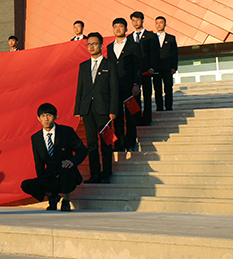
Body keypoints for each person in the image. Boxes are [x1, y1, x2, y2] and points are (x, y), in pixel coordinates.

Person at [21, 103, 88, 211]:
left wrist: (72, 161)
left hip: (66, 173)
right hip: (50, 175)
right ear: (38, 118)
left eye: (49, 115)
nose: (46, 119)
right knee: (26, 185)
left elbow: (82, 150)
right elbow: (39, 163)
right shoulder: (36, 138)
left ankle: (66, 200)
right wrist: (41, 184)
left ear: (56, 116)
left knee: (66, 168)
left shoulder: (66, 132)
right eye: (43, 116)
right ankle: (52, 197)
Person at [73, 32, 118, 184]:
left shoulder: (109, 65)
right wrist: (78, 109)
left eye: (94, 44)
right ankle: (95, 174)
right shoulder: (83, 66)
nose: (91, 47)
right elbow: (80, 88)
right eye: (89, 44)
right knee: (91, 144)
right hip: (87, 110)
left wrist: (113, 110)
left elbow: (114, 89)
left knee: (106, 142)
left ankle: (106, 173)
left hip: (104, 109)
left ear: (101, 46)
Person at [105, 18, 143, 152]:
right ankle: (119, 143)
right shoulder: (110, 47)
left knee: (131, 115)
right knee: (117, 116)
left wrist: (136, 84)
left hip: (129, 86)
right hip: (115, 88)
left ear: (126, 29)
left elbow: (138, 66)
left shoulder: (134, 45)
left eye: (120, 26)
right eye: (115, 26)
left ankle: (131, 143)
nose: (118, 29)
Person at [131, 11, 159, 126]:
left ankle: (147, 119)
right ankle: (136, 119)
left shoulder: (151, 36)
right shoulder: (129, 38)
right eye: (133, 20)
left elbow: (155, 53)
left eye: (138, 20)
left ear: (142, 20)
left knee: (147, 96)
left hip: (146, 71)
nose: (135, 22)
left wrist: (152, 67)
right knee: (135, 96)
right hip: (134, 72)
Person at [153, 16, 178, 111]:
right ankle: (159, 107)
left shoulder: (171, 38)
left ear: (165, 24)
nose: (159, 25)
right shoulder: (152, 38)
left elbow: (174, 54)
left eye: (161, 22)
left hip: (167, 67)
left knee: (168, 88)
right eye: (157, 23)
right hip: (156, 68)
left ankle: (169, 107)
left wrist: (174, 67)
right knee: (157, 89)